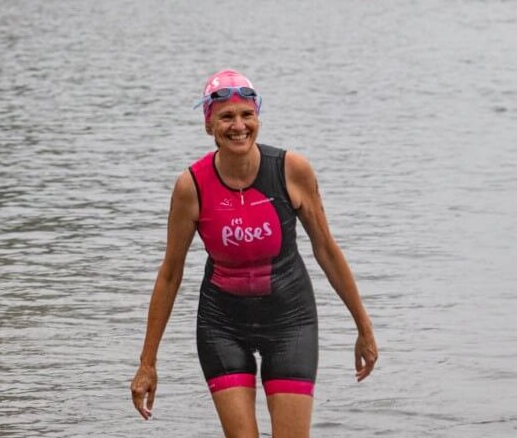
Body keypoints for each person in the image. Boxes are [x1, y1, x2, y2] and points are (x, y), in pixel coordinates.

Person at [130, 70, 379, 437]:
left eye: (247, 115)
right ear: (209, 125)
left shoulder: (291, 170)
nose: (238, 126)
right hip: (222, 326)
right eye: (226, 117)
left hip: (290, 321)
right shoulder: (191, 187)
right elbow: (170, 274)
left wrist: (364, 328)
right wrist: (147, 362)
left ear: (257, 118)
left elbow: (326, 250)